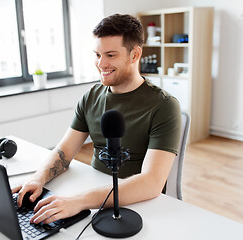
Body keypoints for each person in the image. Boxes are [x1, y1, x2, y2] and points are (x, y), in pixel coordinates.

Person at [12, 14, 181, 225]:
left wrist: (81, 201)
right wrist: (38, 178)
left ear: (135, 54)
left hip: (137, 207)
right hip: (93, 195)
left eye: (110, 55)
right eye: (97, 54)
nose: (101, 64)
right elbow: (64, 151)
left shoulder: (164, 105)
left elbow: (151, 183)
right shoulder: (91, 96)